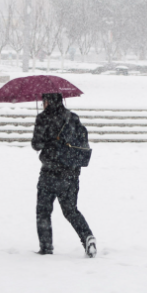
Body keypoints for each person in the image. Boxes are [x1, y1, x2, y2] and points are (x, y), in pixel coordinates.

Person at [31, 92, 96, 257]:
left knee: (43, 211)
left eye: (43, 100)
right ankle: (87, 237)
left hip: (49, 173)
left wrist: (44, 136)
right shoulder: (72, 118)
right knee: (71, 211)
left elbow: (36, 145)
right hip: (70, 173)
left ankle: (46, 248)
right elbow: (81, 142)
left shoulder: (43, 119)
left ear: (47, 101)